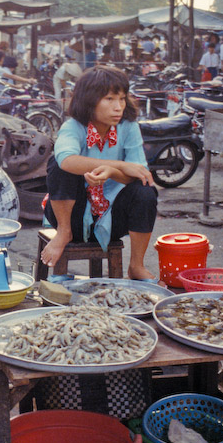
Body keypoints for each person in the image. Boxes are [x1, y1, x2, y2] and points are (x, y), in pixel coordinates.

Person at [40, 65, 160, 283]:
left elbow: (141, 173)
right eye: (110, 99)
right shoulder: (74, 127)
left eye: (122, 99)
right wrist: (118, 165)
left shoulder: (128, 127)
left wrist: (113, 172)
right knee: (58, 165)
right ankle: (63, 233)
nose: (118, 107)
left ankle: (136, 265)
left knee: (145, 190)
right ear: (89, 100)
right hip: (73, 217)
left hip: (113, 218)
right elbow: (67, 160)